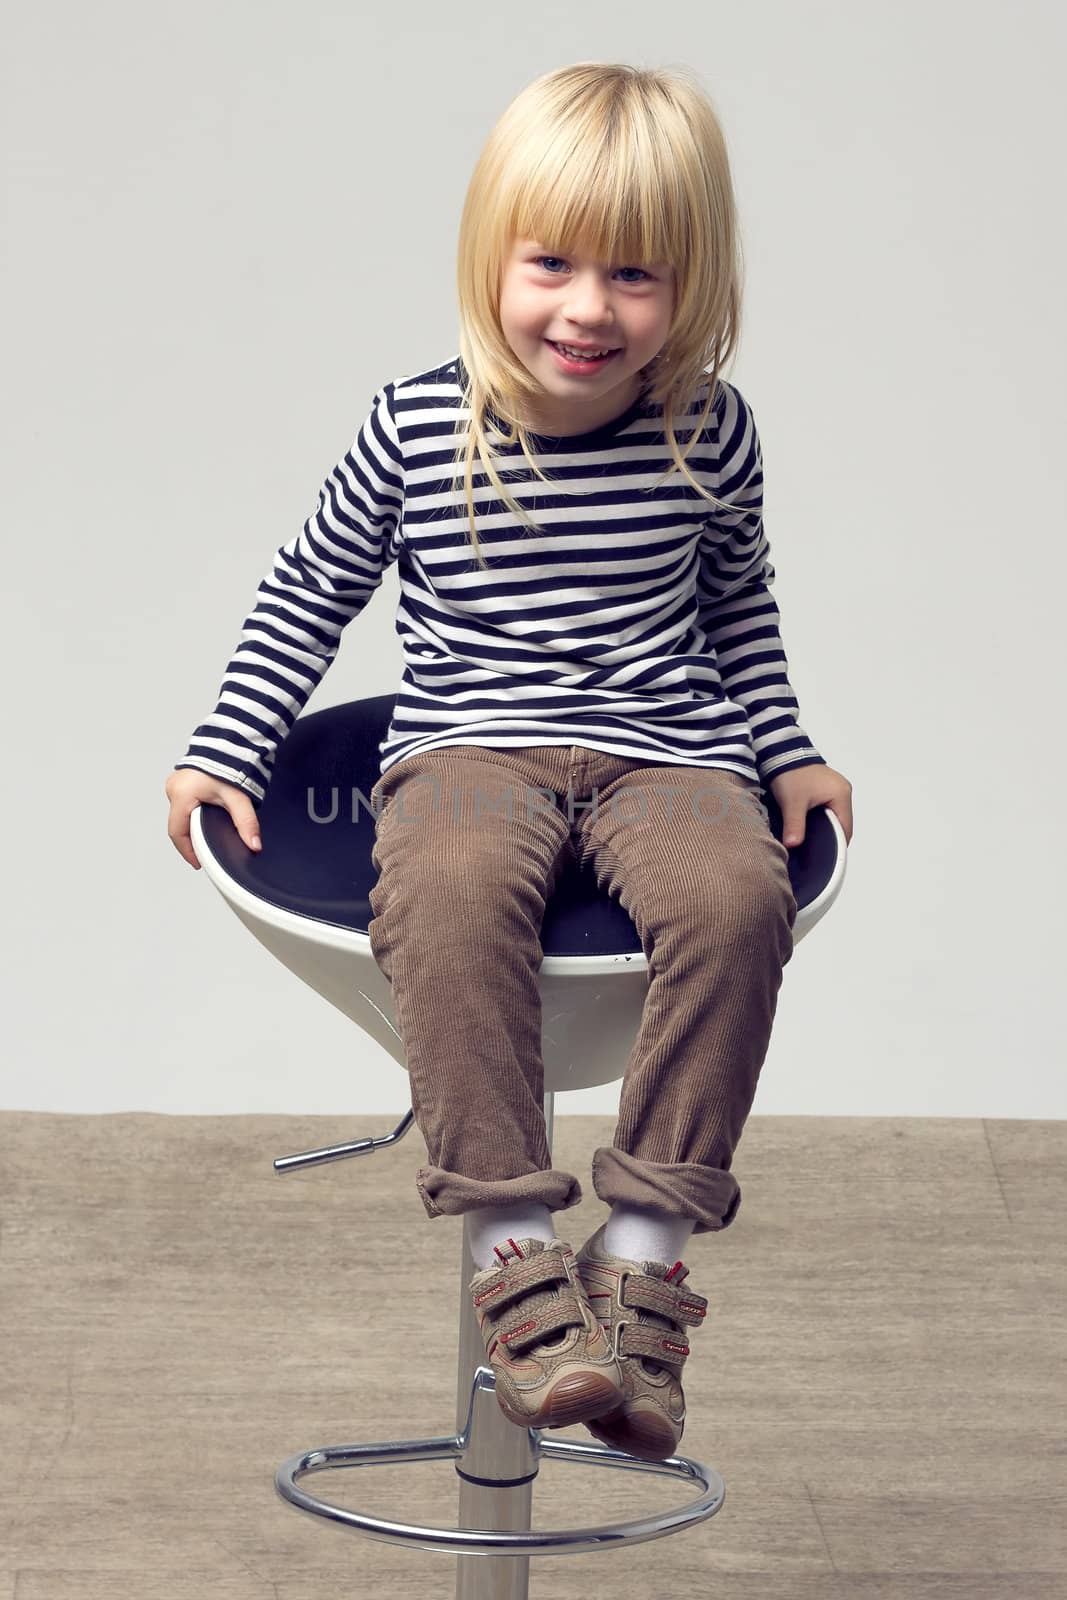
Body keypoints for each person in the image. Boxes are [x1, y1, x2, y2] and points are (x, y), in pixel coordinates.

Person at [165, 61, 853, 1461]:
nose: (589, 308)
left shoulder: (708, 430)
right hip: (473, 743)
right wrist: (223, 740)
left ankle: (645, 1255)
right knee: (453, 889)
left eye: (638, 274)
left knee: (735, 906)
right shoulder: (419, 424)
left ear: (696, 283)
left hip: (670, 748)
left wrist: (786, 751)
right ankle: (512, 1247)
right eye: (551, 264)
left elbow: (740, 603)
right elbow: (309, 590)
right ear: (494, 256)